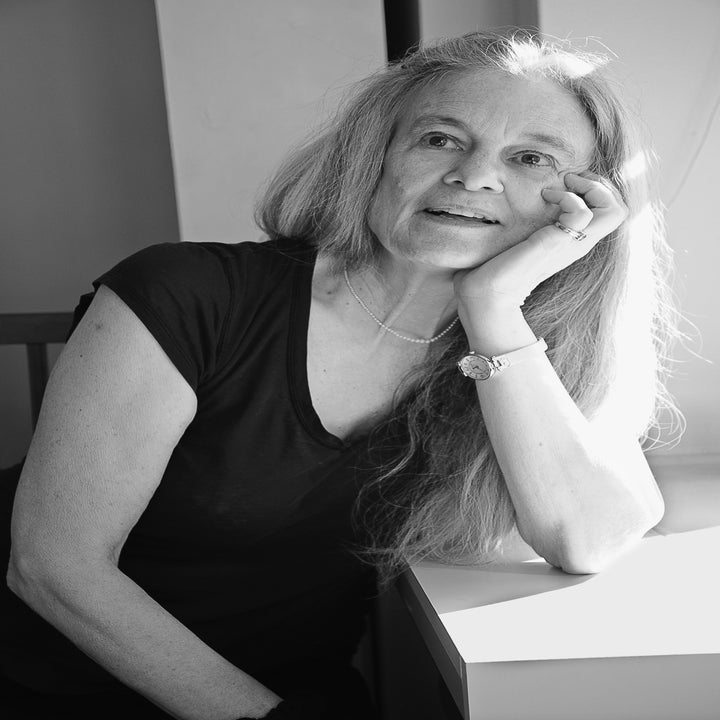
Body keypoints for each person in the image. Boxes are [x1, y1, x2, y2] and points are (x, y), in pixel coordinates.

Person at [1, 29, 677, 720]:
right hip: (47, 688)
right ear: (374, 157)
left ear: (583, 204)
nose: (474, 176)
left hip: (284, 694)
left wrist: (494, 308)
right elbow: (53, 567)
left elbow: (590, 540)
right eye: (439, 139)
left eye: (531, 158)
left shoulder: (522, 355)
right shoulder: (188, 293)